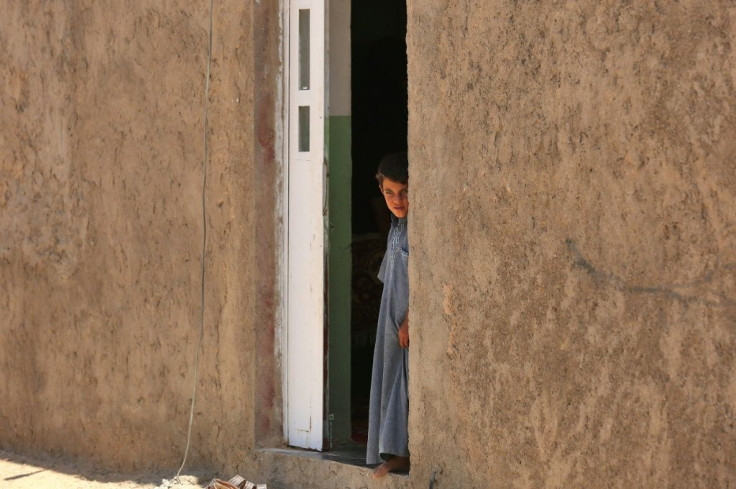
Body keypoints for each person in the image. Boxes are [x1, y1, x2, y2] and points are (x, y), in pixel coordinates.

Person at [366, 152, 410, 478]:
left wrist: (411, 319)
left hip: (405, 323)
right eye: (389, 193)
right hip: (389, 318)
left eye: (404, 192)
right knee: (389, 378)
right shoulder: (396, 229)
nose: (397, 200)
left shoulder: (416, 229)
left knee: (404, 383)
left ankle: (402, 454)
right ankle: (390, 451)